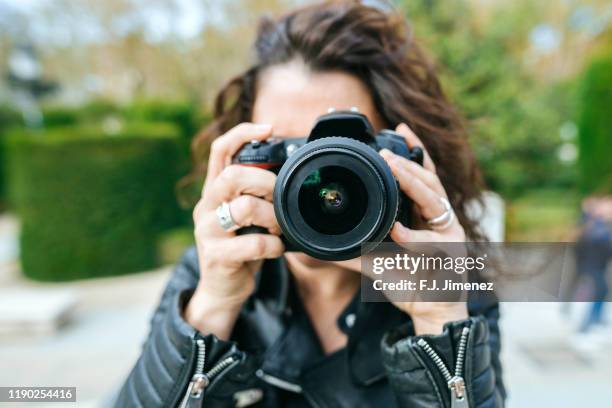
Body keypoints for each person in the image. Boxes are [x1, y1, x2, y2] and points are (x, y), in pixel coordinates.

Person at [114, 2, 505, 407]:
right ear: (242, 158)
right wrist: (213, 308)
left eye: (339, 150)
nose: (311, 179)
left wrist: (439, 320)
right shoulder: (204, 275)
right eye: (285, 152)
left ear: (398, 162)